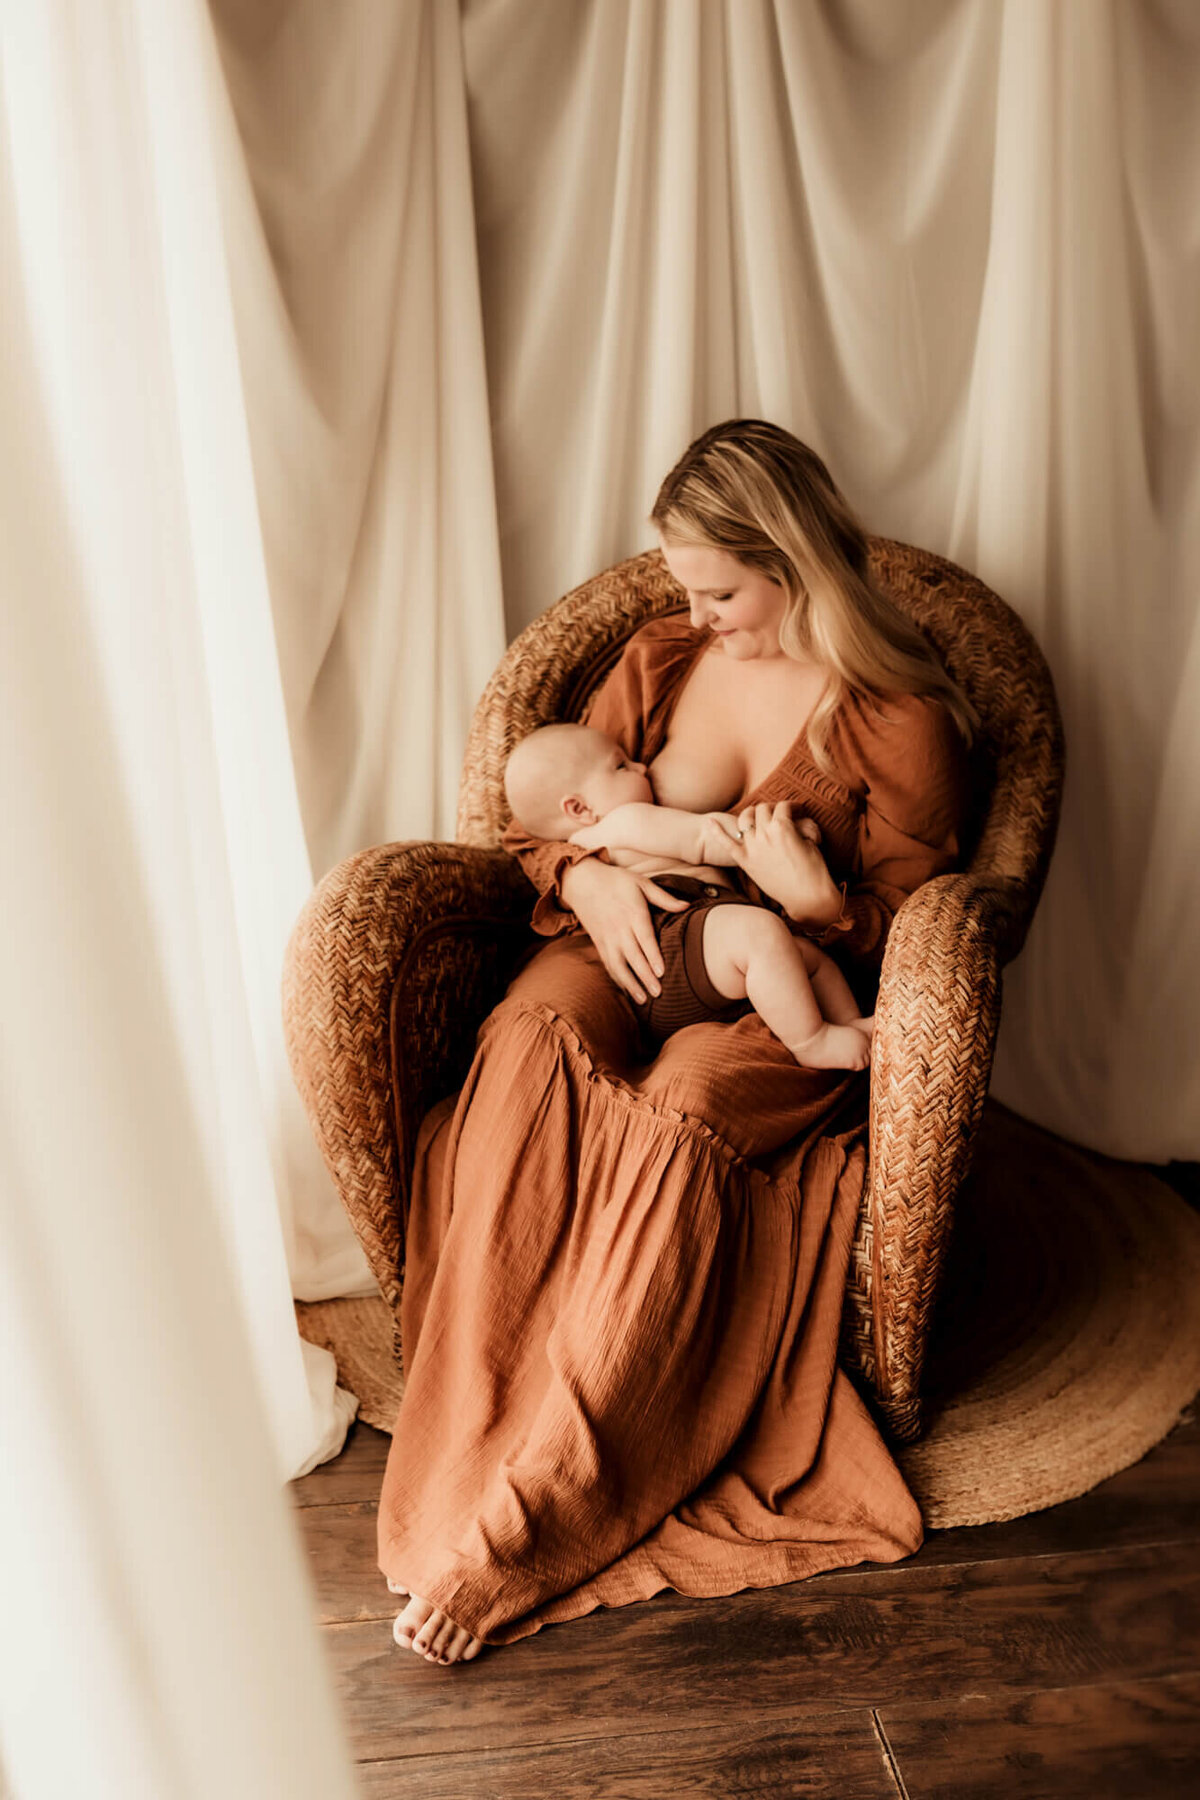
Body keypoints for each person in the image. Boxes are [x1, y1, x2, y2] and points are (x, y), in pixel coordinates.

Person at [378, 418, 976, 1668]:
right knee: (532, 1037)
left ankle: (534, 1515)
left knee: (690, 1102)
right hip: (623, 947)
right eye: (685, 589)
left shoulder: (899, 716)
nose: (696, 615)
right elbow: (546, 812)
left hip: (772, 982)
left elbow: (921, 926)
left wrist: (820, 909)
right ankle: (480, 1406)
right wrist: (584, 880)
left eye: (720, 590)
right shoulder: (656, 659)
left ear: (796, 561)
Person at [503, 720, 874, 1069]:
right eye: (620, 766)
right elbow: (706, 838)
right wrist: (783, 837)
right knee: (763, 934)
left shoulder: (591, 846)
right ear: (580, 809)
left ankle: (854, 1027)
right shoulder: (624, 821)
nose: (641, 767)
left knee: (802, 957)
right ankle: (812, 1041)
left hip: (671, 977)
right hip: (678, 948)